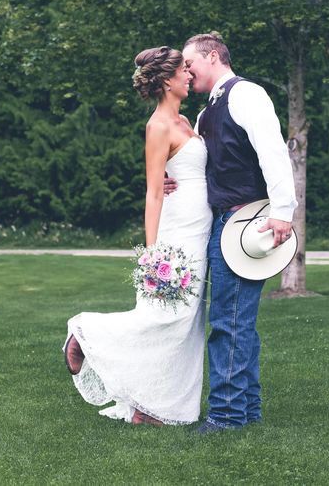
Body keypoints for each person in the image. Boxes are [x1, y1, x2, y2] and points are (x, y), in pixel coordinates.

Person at [63, 46, 213, 426]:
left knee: (186, 322)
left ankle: (150, 409)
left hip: (199, 229)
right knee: (163, 315)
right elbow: (153, 191)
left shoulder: (186, 121)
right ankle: (84, 333)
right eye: (183, 70)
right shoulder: (158, 126)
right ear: (166, 80)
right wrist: (153, 254)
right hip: (176, 235)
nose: (189, 75)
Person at [165, 32, 298, 434]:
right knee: (237, 321)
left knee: (230, 321)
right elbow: (205, 167)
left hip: (245, 224)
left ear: (212, 56)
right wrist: (169, 181)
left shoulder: (246, 94)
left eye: (190, 63)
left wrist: (283, 212)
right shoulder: (206, 113)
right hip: (220, 223)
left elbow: (273, 152)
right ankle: (247, 410)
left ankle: (226, 416)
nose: (186, 71)